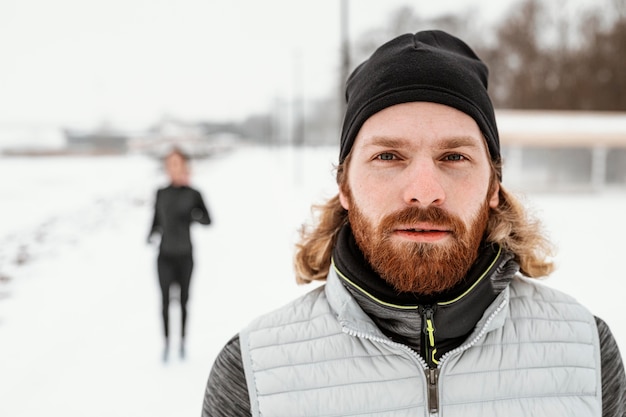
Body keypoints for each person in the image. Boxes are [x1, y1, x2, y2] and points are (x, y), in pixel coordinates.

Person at [201, 30, 625, 416]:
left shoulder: (585, 352)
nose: (424, 190)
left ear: (494, 184)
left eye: (454, 157)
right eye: (388, 156)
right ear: (344, 186)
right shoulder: (254, 373)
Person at [148, 147, 211, 361]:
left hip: (185, 257)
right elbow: (156, 219)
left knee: (183, 302)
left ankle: (183, 342)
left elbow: (208, 220)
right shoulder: (161, 193)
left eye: (177, 163)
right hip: (164, 256)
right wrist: (151, 234)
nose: (172, 168)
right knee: (165, 302)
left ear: (184, 166)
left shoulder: (194, 194)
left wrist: (193, 215)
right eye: (169, 164)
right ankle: (166, 343)